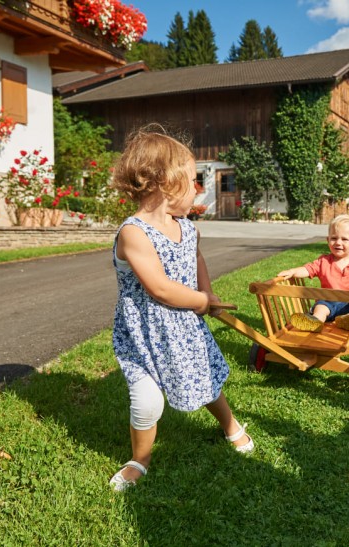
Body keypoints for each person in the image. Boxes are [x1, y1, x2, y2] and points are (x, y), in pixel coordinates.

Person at [108, 124, 253, 492]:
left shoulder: (187, 228)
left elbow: (196, 258)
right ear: (166, 182)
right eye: (192, 180)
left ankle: (230, 425)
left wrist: (208, 292)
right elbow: (159, 288)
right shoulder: (134, 233)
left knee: (205, 381)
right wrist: (202, 302)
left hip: (183, 330)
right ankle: (140, 459)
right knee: (146, 401)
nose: (197, 188)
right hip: (144, 334)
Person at [277, 214, 349, 332]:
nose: (338, 243)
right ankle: (315, 321)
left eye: (344, 239)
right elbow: (308, 269)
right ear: (328, 240)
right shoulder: (323, 261)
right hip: (329, 302)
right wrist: (293, 271)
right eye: (334, 238)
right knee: (321, 307)